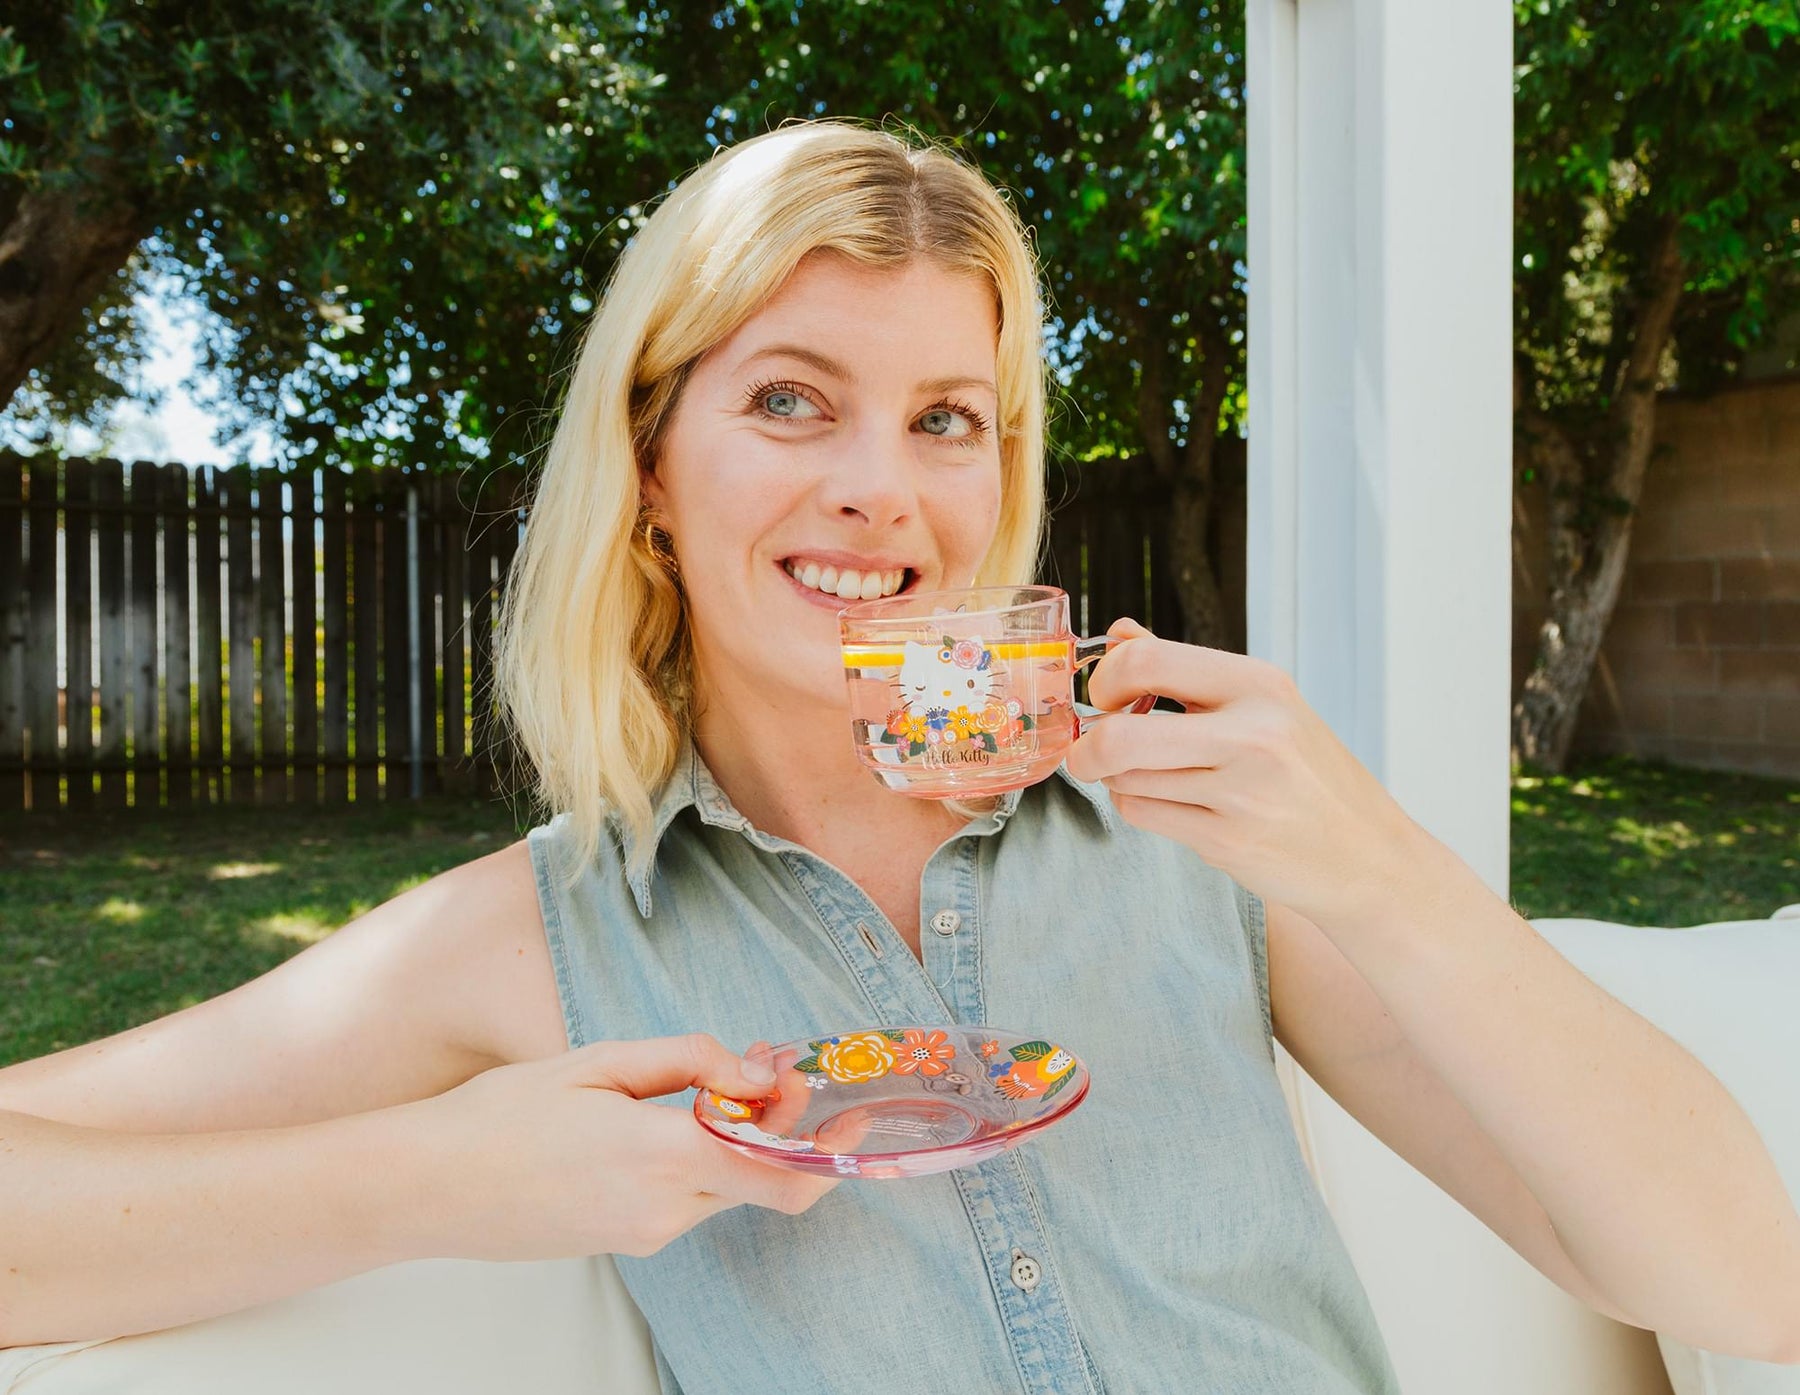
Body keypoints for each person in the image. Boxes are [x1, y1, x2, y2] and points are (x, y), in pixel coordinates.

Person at [1, 120, 1795, 1392]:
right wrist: (448, 1177)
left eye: (946, 419)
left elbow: (1744, 1281)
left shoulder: (1197, 850)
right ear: (649, 468)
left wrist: (1389, 877)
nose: (881, 484)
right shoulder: (524, 941)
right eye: (791, 397)